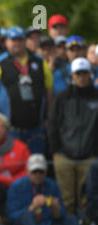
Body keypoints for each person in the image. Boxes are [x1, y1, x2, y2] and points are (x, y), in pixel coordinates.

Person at [6, 154, 98, 225]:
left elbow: (61, 215)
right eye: (34, 172)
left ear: (46, 171)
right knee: (27, 214)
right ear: (27, 171)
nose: (38, 175)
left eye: (41, 172)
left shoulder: (52, 185)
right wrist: (31, 207)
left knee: (70, 218)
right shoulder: (17, 186)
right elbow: (11, 216)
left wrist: (56, 209)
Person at [0, 26, 53, 154]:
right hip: (10, 129)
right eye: (13, 40)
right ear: (6, 42)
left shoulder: (39, 61)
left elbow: (49, 90)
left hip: (36, 127)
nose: (17, 43)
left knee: (36, 165)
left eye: (20, 40)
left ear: (25, 41)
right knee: (14, 166)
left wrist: (48, 116)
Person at [48, 57, 98, 216]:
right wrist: (55, 150)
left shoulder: (96, 96)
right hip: (64, 157)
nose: (82, 77)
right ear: (72, 75)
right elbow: (52, 124)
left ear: (90, 73)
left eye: (84, 73)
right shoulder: (62, 97)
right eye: (78, 73)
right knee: (67, 200)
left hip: (89, 157)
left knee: (87, 198)